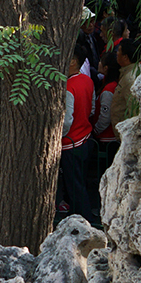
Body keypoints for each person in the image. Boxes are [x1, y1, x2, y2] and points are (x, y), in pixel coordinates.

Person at [57, 40, 100, 225]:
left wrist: (57, 136)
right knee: (80, 183)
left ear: (73, 61)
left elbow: (67, 121)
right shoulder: (88, 80)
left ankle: (84, 223)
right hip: (86, 139)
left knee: (75, 188)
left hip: (71, 143)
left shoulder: (69, 87)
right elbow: (92, 108)